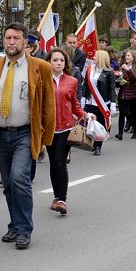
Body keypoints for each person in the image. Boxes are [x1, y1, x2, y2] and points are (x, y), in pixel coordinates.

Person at [0, 22, 55, 249]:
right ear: (4, 41)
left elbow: (48, 105)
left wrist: (46, 139)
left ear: (26, 42)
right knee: (8, 184)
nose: (12, 42)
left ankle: (24, 229)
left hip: (25, 133)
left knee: (19, 178)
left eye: (16, 38)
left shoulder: (41, 67)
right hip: (0, 133)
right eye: (8, 38)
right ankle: (14, 225)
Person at [45, 47, 90, 214]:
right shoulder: (42, 80)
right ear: (49, 62)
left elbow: (75, 104)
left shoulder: (72, 81)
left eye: (62, 60)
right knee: (53, 163)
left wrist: (85, 115)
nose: (58, 63)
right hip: (49, 128)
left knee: (60, 161)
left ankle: (62, 200)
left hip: (67, 127)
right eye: (55, 60)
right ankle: (56, 196)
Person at [82, 49, 115, 156]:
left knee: (100, 124)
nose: (93, 57)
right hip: (90, 101)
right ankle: (91, 142)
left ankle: (98, 146)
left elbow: (112, 88)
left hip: (102, 103)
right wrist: (83, 98)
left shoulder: (109, 72)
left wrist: (113, 103)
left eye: (96, 56)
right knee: (90, 123)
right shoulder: (89, 69)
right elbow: (85, 85)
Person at [115, 50, 136, 140]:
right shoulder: (122, 67)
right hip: (123, 93)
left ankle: (135, 131)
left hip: (133, 93)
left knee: (134, 112)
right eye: (126, 56)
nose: (127, 57)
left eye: (129, 56)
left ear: (133, 57)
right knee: (122, 112)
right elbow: (118, 79)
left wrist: (128, 70)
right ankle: (120, 133)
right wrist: (119, 83)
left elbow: (135, 79)